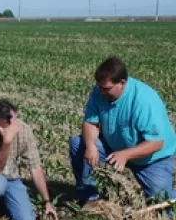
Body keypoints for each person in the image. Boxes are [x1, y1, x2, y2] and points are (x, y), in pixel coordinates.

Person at [69, 56, 176, 203]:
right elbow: (90, 122)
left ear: (122, 83)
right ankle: (89, 199)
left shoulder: (144, 100)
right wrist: (90, 146)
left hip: (151, 158)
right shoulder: (100, 92)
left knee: (164, 205)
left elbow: (156, 143)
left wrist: (125, 155)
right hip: (114, 147)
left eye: (106, 89)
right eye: (99, 87)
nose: (101, 92)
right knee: (78, 143)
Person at [0, 100, 58, 220]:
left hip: (11, 178)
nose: (13, 126)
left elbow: (35, 168)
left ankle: (0, 203)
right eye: (8, 124)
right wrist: (6, 142)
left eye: (14, 120)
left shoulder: (24, 130)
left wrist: (47, 201)